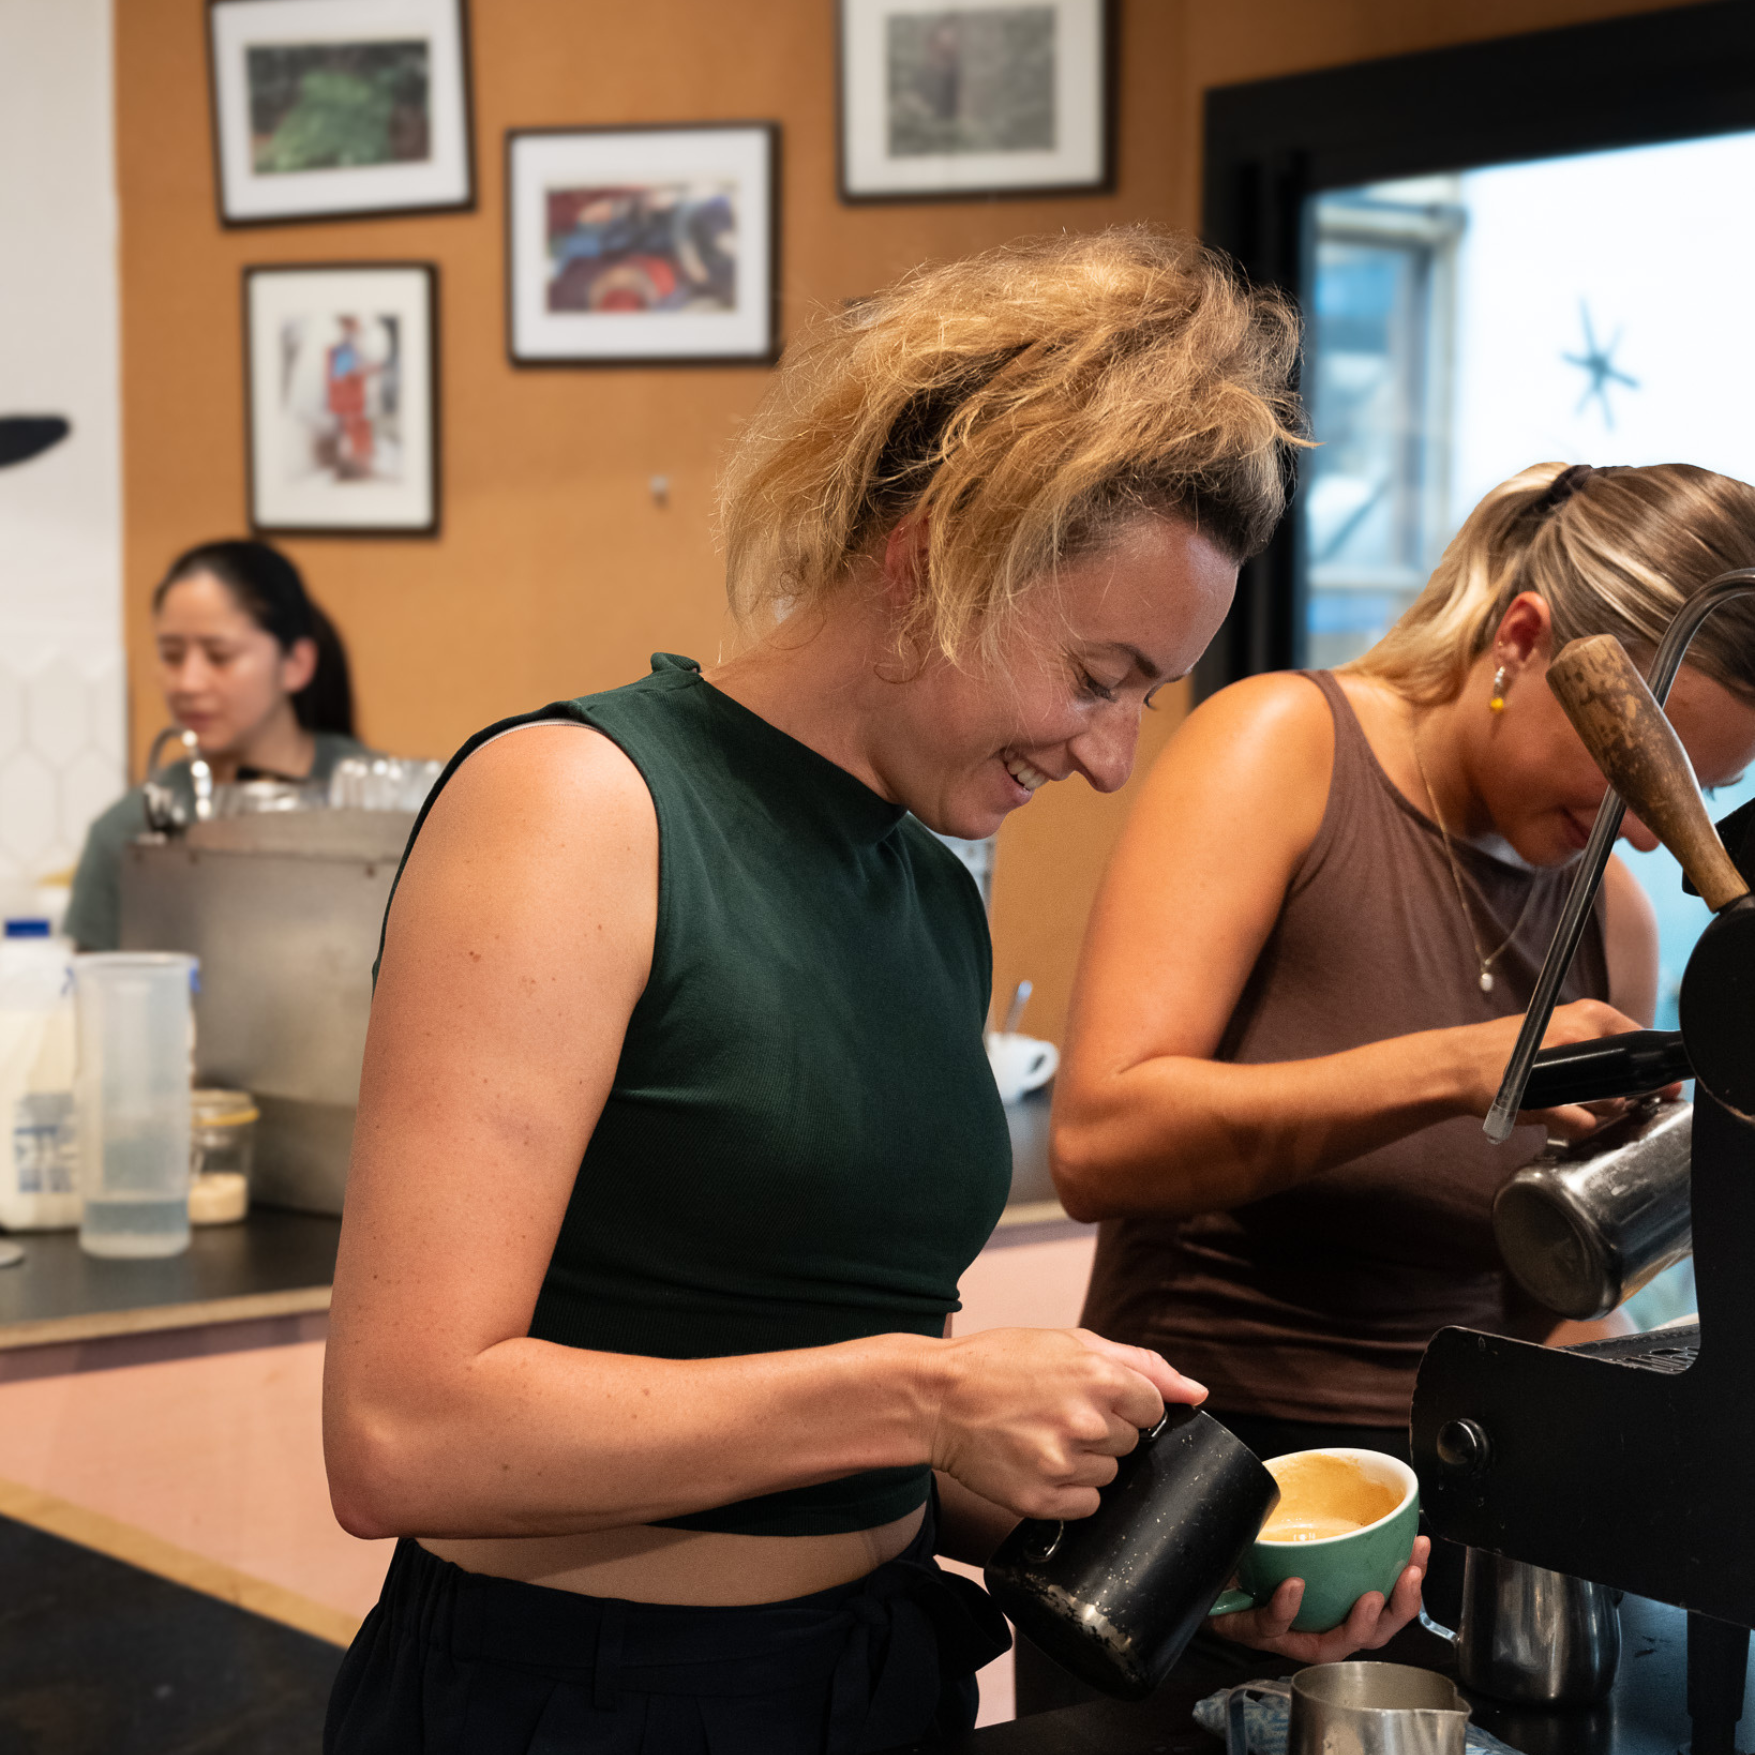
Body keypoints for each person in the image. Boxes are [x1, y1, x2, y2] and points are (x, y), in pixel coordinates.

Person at [320, 229, 1427, 1755]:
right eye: (1096, 675)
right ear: (934, 557)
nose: (1110, 756)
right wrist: (926, 1396)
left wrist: (1183, 1566)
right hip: (578, 1697)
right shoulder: (581, 801)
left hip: (870, 1672)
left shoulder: (924, 883)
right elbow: (403, 1431)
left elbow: (825, 1433)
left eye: (1143, 697)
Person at [1053, 461, 1755, 1474]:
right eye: (1633, 765)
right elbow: (1097, 1146)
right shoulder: (1282, 747)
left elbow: (1537, 1302)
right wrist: (1459, 1067)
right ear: (1522, 639)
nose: (1647, 833)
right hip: (1202, 1477)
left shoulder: (1613, 917)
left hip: (1456, 1484)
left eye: (1697, 793)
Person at [64, 539, 367, 952]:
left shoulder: (385, 803)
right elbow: (98, 984)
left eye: (219, 655)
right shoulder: (126, 831)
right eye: (172, 655)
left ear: (296, 664)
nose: (188, 683)